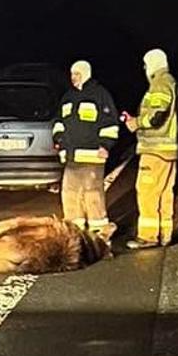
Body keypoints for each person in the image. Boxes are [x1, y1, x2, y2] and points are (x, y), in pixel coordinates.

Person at [52, 60, 120, 238]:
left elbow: (110, 123)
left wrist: (105, 145)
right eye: (72, 74)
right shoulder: (67, 97)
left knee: (93, 194)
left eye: (77, 74)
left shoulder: (100, 95)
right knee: (69, 194)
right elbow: (59, 123)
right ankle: (75, 232)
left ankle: (98, 233)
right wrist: (58, 140)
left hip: (92, 156)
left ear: (86, 73)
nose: (73, 78)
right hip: (71, 157)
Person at [124, 49, 178, 249]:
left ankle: (148, 236)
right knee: (165, 192)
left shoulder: (160, 83)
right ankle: (165, 235)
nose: (145, 69)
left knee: (147, 191)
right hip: (167, 149)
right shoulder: (170, 82)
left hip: (155, 149)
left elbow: (156, 115)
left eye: (146, 64)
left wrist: (136, 123)